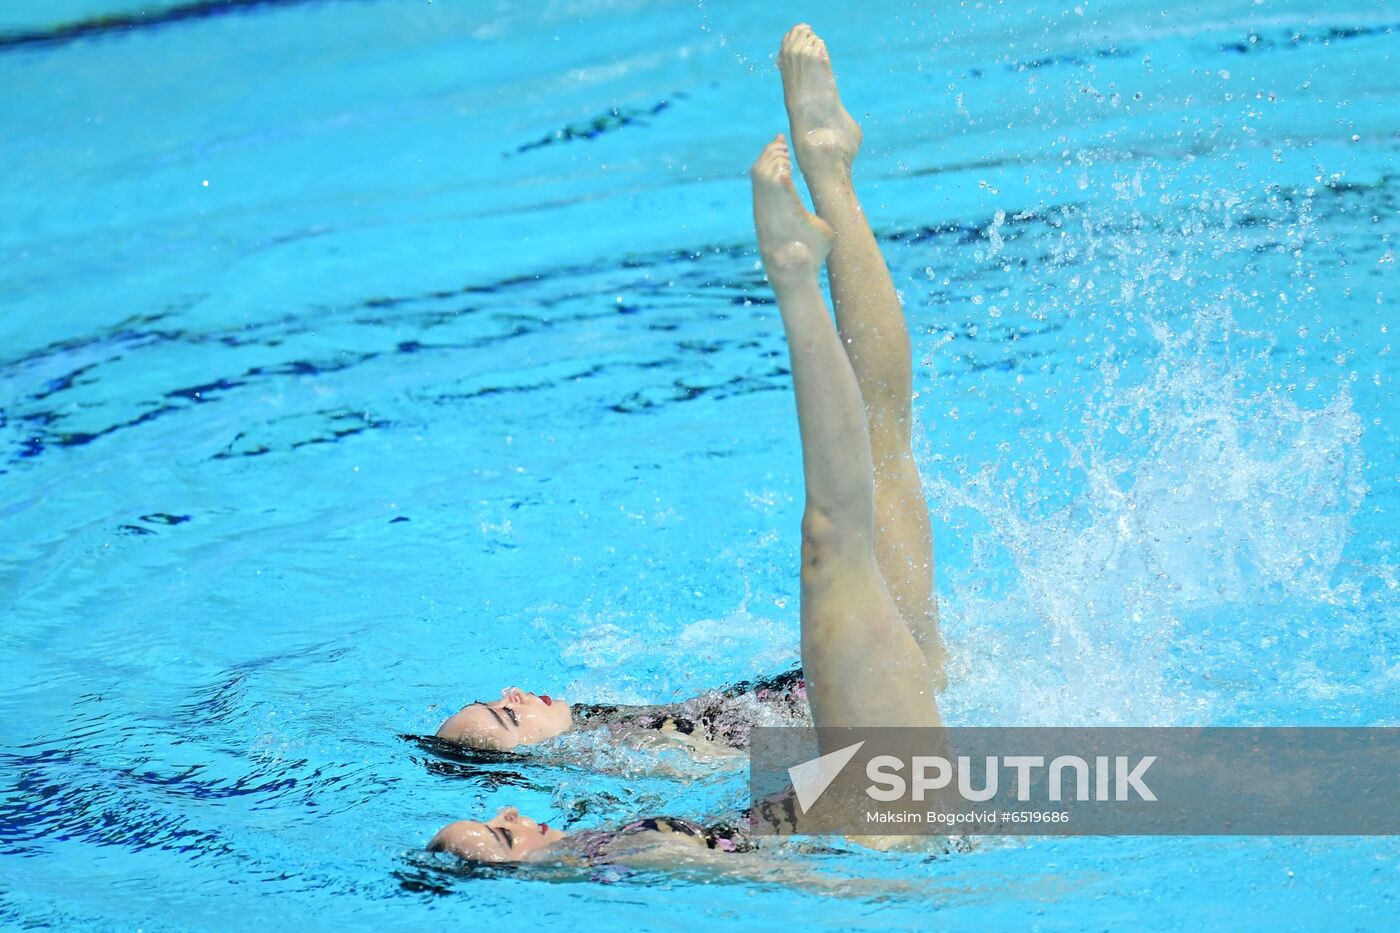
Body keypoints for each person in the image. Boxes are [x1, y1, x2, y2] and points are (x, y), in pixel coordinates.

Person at [428, 23, 946, 865]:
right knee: (835, 531)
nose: (512, 694)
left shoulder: (617, 774)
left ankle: (830, 180)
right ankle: (796, 272)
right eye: (502, 716)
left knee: (878, 457)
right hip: (888, 790)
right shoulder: (619, 813)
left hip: (877, 732)